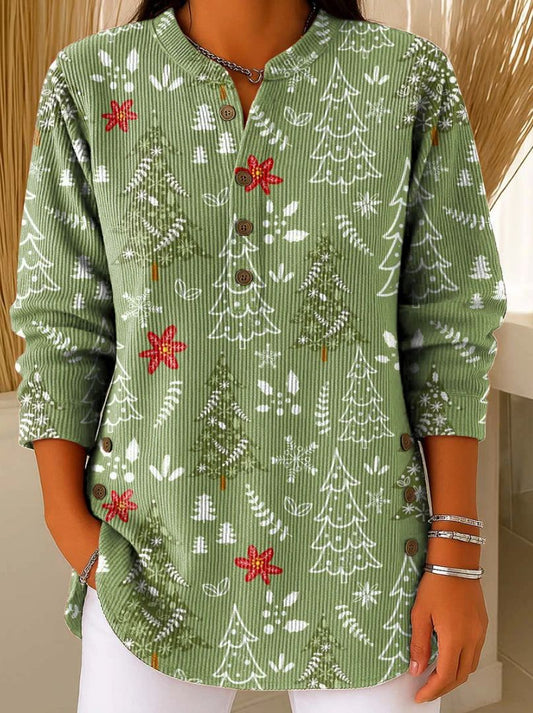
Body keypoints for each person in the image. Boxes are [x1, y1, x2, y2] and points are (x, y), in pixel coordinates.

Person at [9, 1, 507, 712]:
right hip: (146, 561)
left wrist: (456, 554)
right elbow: (62, 326)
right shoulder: (92, 82)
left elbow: (449, 326)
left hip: (363, 558)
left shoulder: (404, 79)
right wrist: (77, 537)